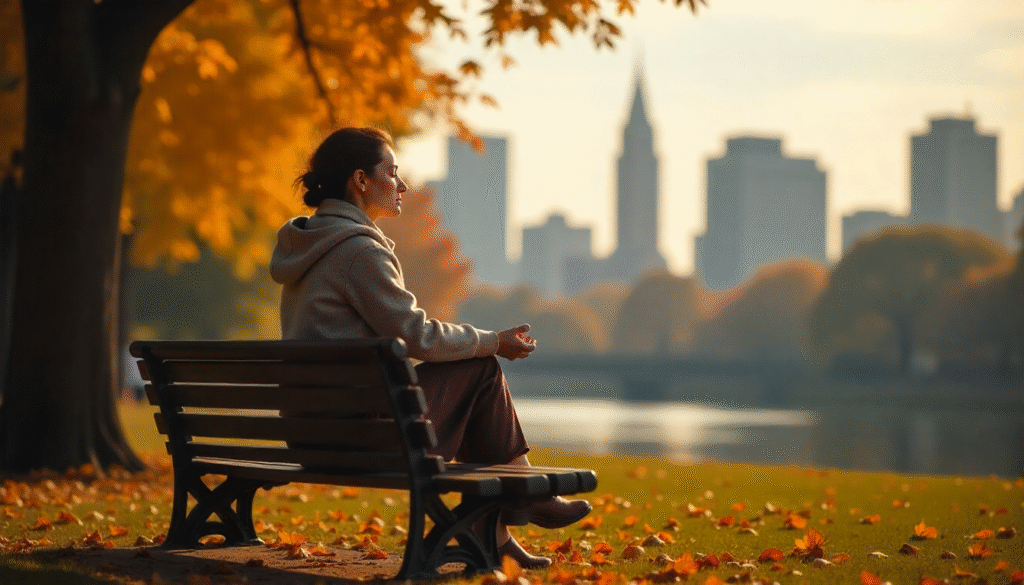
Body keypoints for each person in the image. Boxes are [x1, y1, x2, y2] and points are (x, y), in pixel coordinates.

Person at [269, 127, 591, 568]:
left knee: (476, 370)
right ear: (360, 181)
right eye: (392, 173)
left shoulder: (306, 245)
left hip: (311, 436)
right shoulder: (358, 251)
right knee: (480, 368)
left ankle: (499, 532)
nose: (402, 185)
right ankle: (523, 491)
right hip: (359, 441)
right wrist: (493, 342)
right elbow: (417, 335)